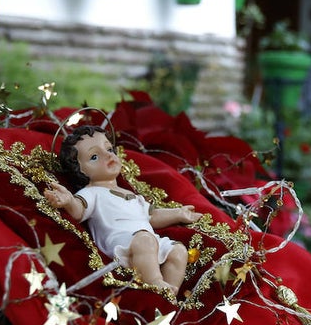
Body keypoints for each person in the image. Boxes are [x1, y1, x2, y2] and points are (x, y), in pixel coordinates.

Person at [44, 125, 202, 294]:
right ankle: (156, 284)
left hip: (148, 240)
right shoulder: (92, 193)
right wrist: (68, 201)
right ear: (80, 170)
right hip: (121, 244)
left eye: (109, 149)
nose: (108, 155)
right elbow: (79, 211)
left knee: (178, 251)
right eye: (95, 156)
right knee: (145, 241)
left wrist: (179, 213)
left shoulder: (130, 194)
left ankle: (171, 294)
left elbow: (152, 215)